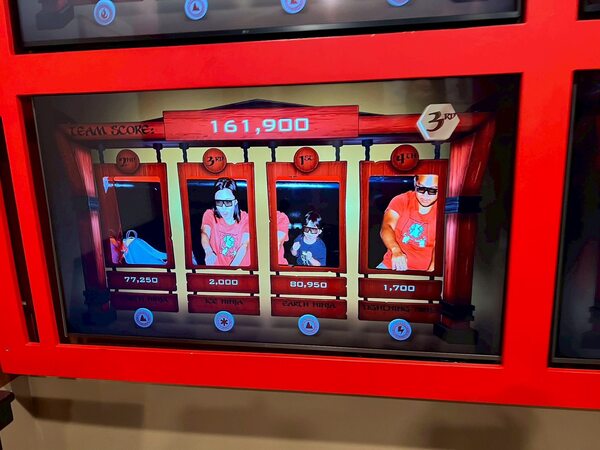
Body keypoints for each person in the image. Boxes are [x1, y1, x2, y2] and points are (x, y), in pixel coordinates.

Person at [378, 174, 439, 271]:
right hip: (392, 265)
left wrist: (430, 274)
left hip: (424, 271)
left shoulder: (444, 209)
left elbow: (440, 248)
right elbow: (387, 227)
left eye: (433, 190)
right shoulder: (401, 200)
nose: (426, 195)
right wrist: (395, 250)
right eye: (421, 189)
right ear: (415, 183)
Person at [201, 178, 250, 266]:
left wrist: (231, 270)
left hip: (240, 270)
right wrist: (208, 251)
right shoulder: (210, 214)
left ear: (235, 202)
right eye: (219, 202)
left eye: (228, 202)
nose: (223, 208)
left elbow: (244, 245)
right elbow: (204, 233)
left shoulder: (246, 218)